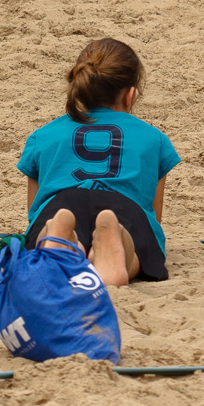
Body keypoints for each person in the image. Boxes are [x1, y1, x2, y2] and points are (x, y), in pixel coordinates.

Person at [17, 38, 178, 286]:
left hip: (62, 203)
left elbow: (34, 210)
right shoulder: (153, 138)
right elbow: (153, 215)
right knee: (133, 251)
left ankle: (62, 237)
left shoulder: (43, 136)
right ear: (130, 95)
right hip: (124, 207)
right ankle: (116, 242)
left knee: (44, 229)